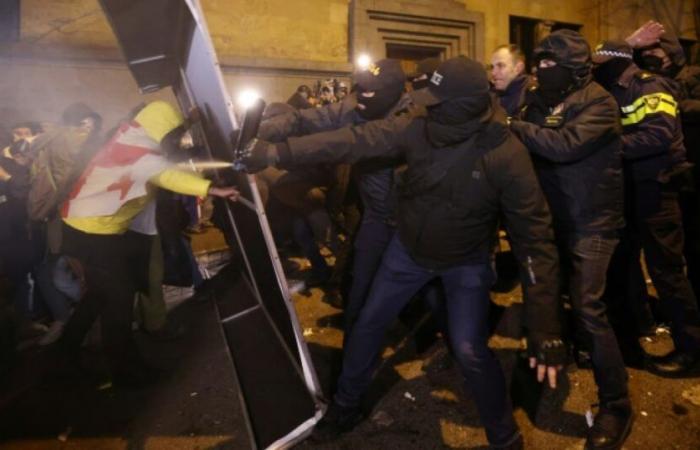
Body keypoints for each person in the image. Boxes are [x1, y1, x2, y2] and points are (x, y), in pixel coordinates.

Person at [244, 56, 565, 449]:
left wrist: (545, 325)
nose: (423, 104)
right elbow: (356, 140)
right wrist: (277, 153)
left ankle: (504, 437)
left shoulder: (506, 154)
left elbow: (535, 239)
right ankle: (345, 407)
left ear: (461, 105)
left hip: (465, 263)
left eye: (435, 99)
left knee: (469, 349)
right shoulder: (418, 126)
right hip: (407, 252)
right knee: (367, 325)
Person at [53, 101, 240, 387]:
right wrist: (213, 189)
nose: (177, 141)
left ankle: (63, 356)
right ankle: (126, 372)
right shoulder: (142, 154)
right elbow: (167, 174)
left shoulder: (130, 136)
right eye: (175, 135)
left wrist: (187, 121)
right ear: (163, 132)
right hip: (95, 234)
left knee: (98, 297)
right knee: (119, 300)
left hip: (84, 229)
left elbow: (164, 133)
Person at [509, 30, 632, 449]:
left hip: (592, 222)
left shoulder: (599, 102)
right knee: (545, 300)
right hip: (550, 220)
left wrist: (514, 127)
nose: (542, 70)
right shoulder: (538, 100)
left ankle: (616, 406)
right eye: (538, 63)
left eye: (550, 64)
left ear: (575, 68)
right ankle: (545, 368)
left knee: (588, 309)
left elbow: (564, 145)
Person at [595, 39, 700, 377]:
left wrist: (607, 146)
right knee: (625, 264)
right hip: (631, 190)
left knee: (666, 273)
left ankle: (692, 351)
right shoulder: (616, 86)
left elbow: (657, 135)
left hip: (656, 190)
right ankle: (639, 325)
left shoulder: (648, 85)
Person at [490, 44, 533, 117]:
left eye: (500, 66)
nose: (493, 73)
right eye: (492, 67)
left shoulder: (532, 96)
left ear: (518, 68)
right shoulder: (490, 96)